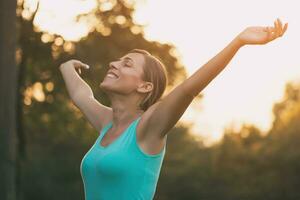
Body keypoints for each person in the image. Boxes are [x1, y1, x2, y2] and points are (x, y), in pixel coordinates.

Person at [59, 18, 288, 200]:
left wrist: (238, 41)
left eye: (126, 63)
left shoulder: (149, 126)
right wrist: (66, 67)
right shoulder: (107, 122)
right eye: (117, 61)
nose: (113, 64)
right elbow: (81, 95)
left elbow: (189, 88)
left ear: (145, 86)